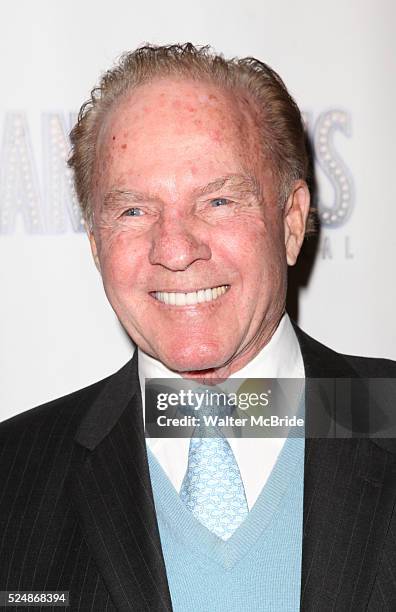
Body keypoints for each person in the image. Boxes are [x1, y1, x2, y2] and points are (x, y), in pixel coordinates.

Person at [1, 43, 395, 611]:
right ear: (95, 244)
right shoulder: (11, 476)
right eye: (133, 210)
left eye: (217, 200)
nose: (176, 249)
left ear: (291, 222)